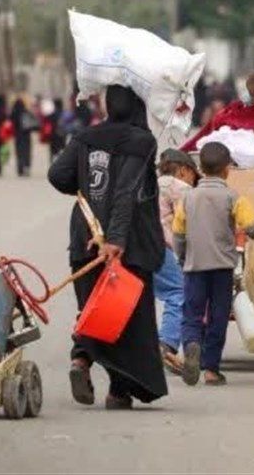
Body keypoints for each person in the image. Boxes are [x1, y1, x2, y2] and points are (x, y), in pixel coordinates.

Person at [48, 84, 167, 410]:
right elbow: (126, 192)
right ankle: (118, 391)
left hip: (85, 234)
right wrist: (115, 240)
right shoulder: (141, 142)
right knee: (124, 316)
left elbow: (58, 174)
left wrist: (85, 182)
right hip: (124, 243)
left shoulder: (86, 136)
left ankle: (81, 362)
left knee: (92, 309)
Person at [172, 142, 254, 386]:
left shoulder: (188, 198)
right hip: (222, 268)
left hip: (194, 267)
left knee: (192, 314)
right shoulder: (233, 197)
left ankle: (191, 344)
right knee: (218, 316)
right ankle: (211, 369)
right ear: (227, 170)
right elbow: (253, 227)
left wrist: (183, 257)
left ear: (200, 168)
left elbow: (178, 233)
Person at [154, 149, 199, 375]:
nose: (194, 181)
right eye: (193, 175)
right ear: (183, 170)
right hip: (161, 248)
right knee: (178, 292)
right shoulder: (180, 188)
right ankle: (167, 345)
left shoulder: (149, 182)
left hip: (134, 247)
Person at [10, 94, 38, 177]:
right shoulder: (26, 112)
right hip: (26, 135)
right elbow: (33, 122)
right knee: (26, 151)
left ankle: (20, 169)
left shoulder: (14, 112)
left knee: (19, 152)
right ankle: (27, 167)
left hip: (17, 135)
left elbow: (11, 121)